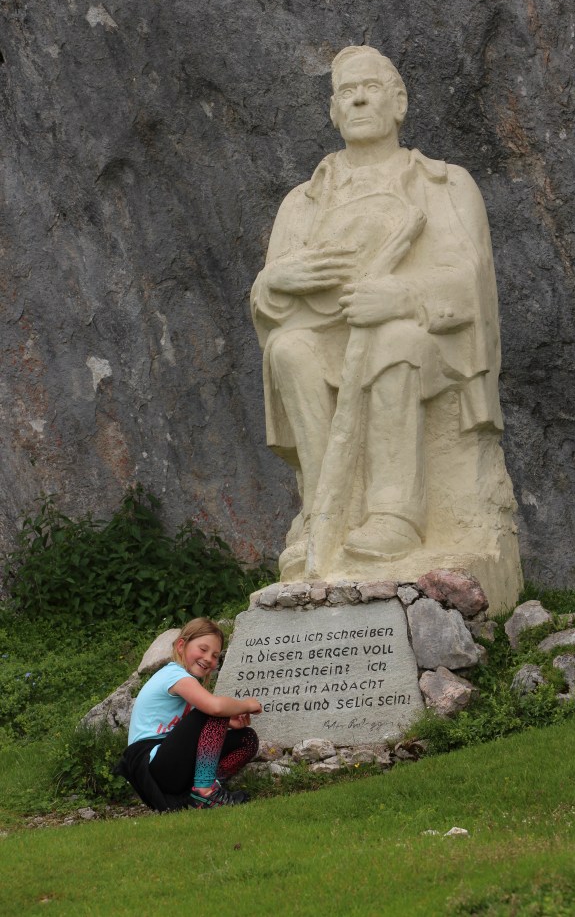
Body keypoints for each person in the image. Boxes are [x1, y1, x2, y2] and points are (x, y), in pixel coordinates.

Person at [251, 45, 505, 580]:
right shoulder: (302, 201)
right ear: (333, 110)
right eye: (347, 91)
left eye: (371, 88)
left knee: (395, 340)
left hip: (425, 345)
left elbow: (470, 280)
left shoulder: (444, 184)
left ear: (399, 103)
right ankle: (324, 512)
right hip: (329, 337)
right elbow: (270, 302)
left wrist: (403, 298)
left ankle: (395, 513)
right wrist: (274, 282)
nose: (360, 99)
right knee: (289, 349)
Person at [115, 618, 262, 811]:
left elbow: (195, 730)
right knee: (213, 710)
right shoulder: (174, 675)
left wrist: (228, 722)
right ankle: (205, 792)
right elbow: (215, 708)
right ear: (181, 646)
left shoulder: (186, 682)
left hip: (172, 764)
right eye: (203, 649)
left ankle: (202, 790)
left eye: (215, 655)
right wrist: (246, 705)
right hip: (153, 765)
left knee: (247, 739)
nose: (208, 658)